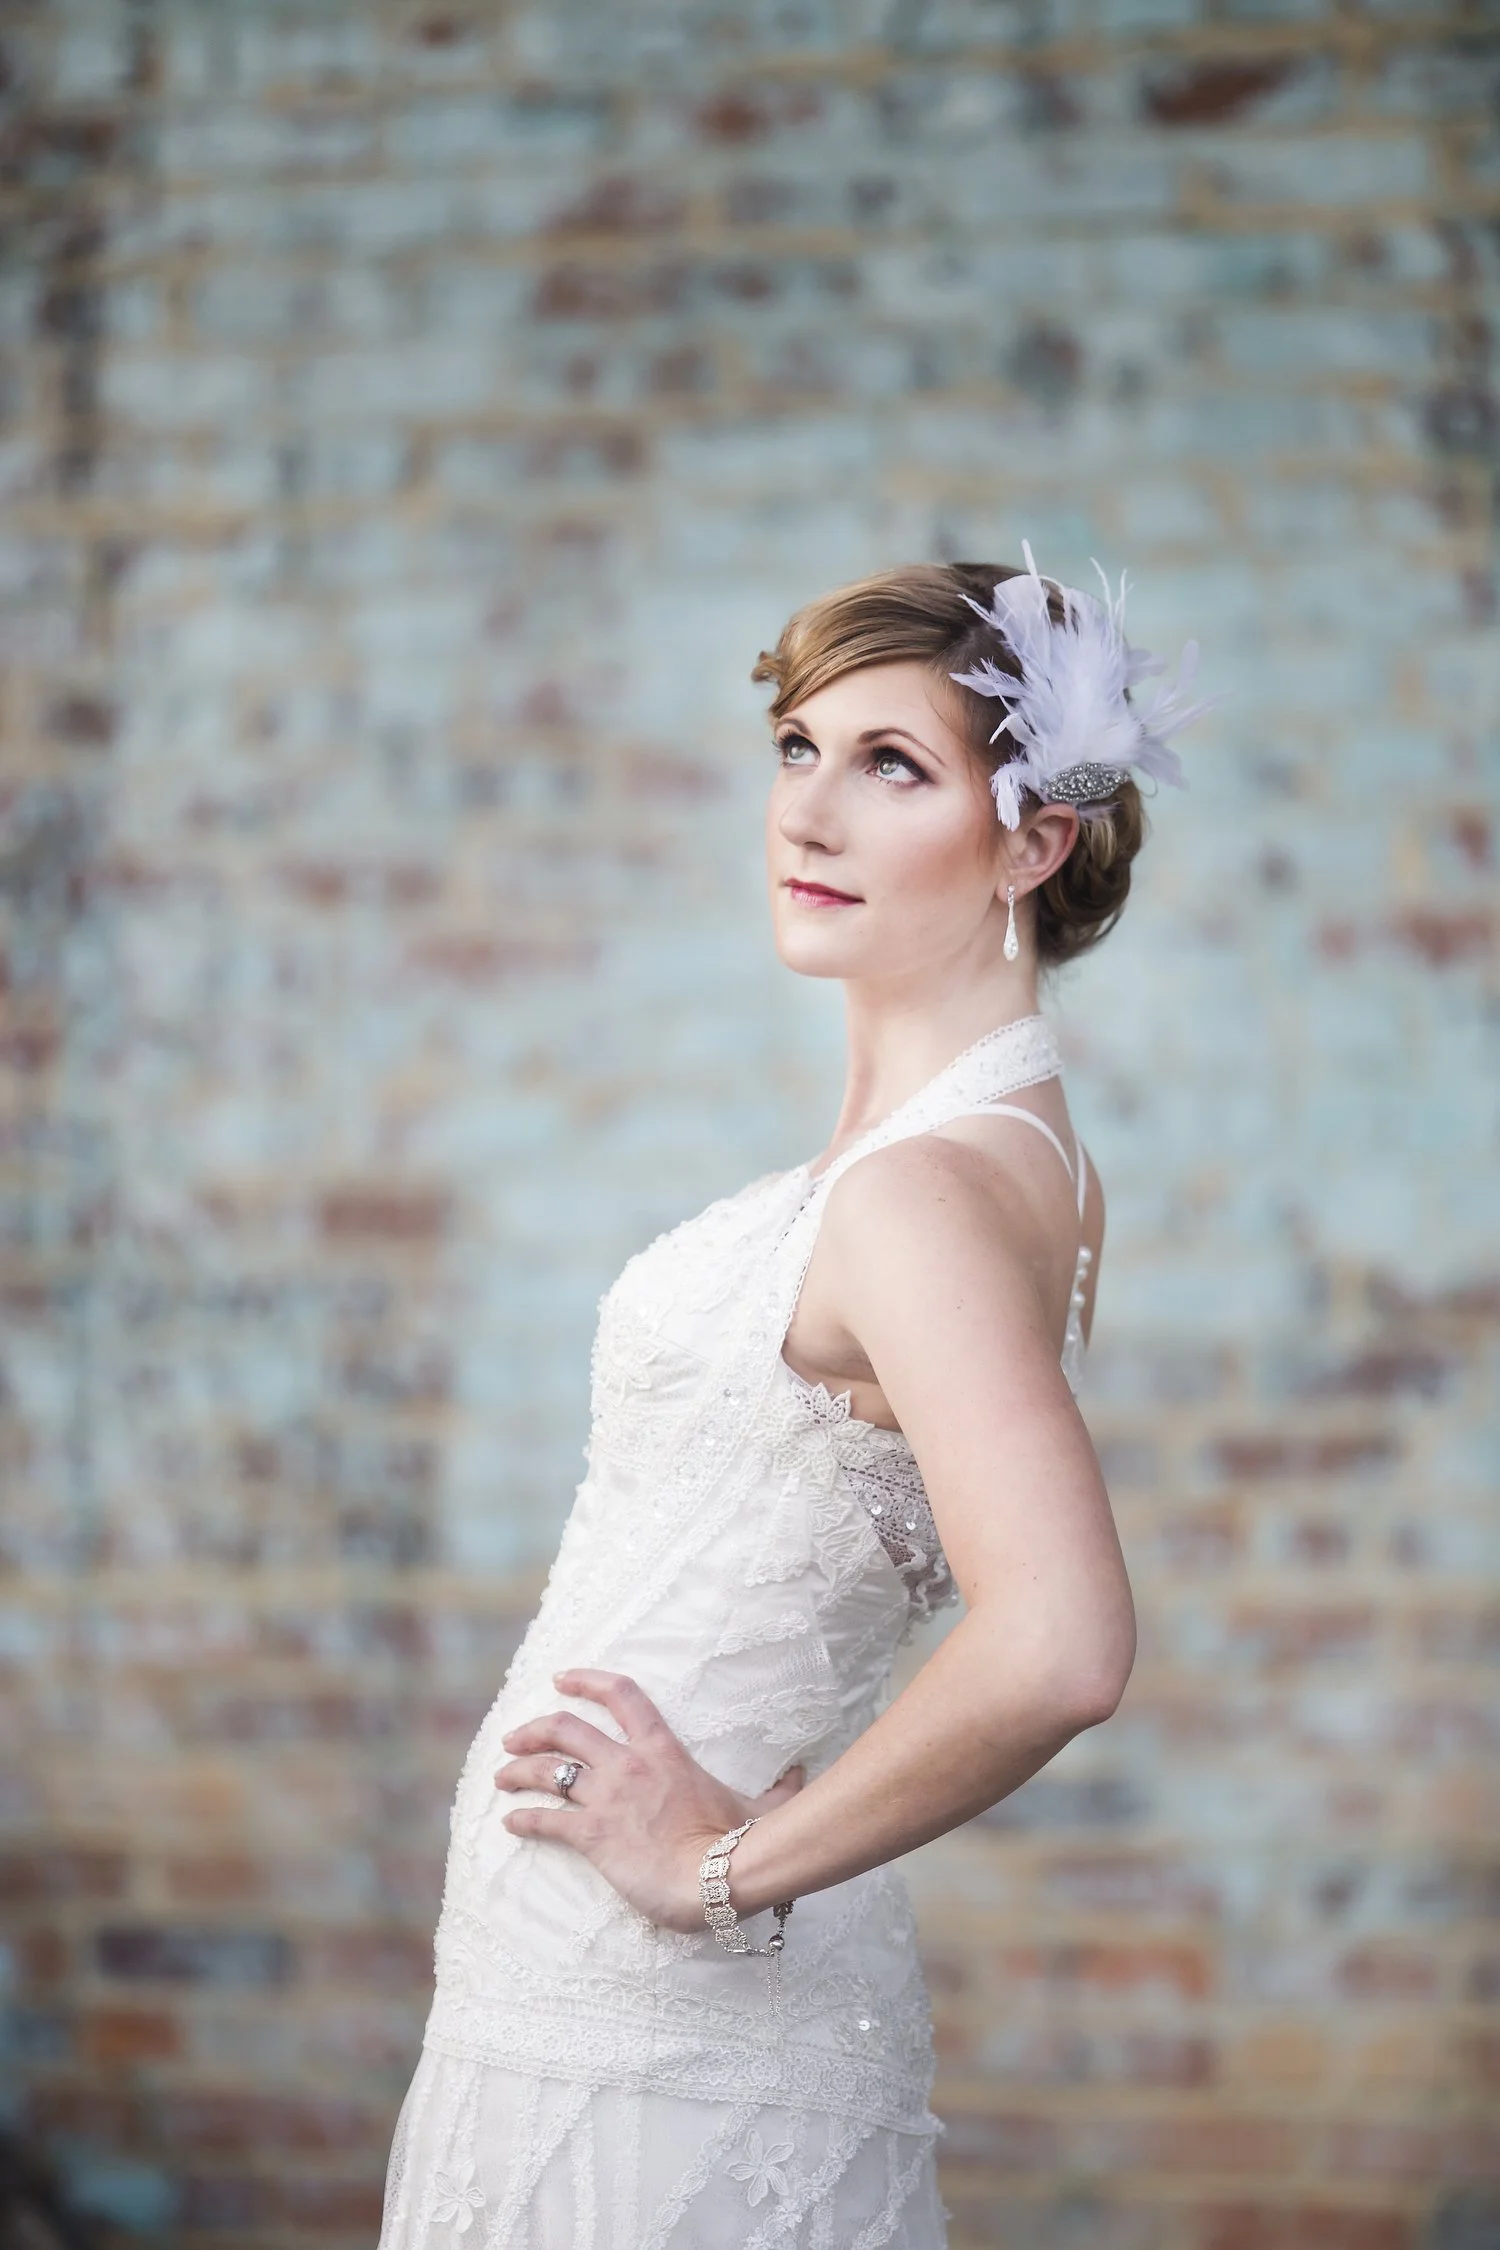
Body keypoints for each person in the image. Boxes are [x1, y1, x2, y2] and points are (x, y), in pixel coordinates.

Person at [378, 546, 1218, 2247]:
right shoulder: (991, 1152)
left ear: (1036, 837)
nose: (807, 814)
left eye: (891, 764)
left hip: (656, 2037)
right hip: (600, 2018)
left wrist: (710, 1870)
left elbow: (1060, 1640)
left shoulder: (915, 1197)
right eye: (797, 748)